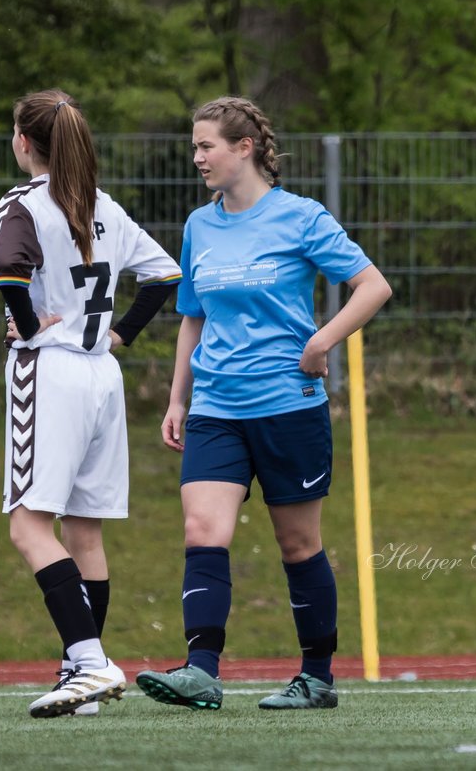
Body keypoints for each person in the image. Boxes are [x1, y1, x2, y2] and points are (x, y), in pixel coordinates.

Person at [135, 96, 392, 711]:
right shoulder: (200, 225)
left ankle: (316, 677)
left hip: (288, 406)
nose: (196, 158)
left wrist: (322, 340)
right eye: (194, 147)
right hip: (216, 407)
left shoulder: (300, 218)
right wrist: (178, 398)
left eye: (206, 146)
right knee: (203, 529)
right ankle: (201, 671)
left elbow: (372, 286)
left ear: (243, 148)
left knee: (299, 545)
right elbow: (191, 319)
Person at [0, 89, 181, 718]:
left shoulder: (24, 203)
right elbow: (164, 275)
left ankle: (90, 662)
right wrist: (120, 333)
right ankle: (83, 677)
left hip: (52, 373)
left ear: (25, 142)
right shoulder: (105, 208)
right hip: (103, 377)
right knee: (85, 532)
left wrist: (32, 326)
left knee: (28, 524)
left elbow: (9, 271)